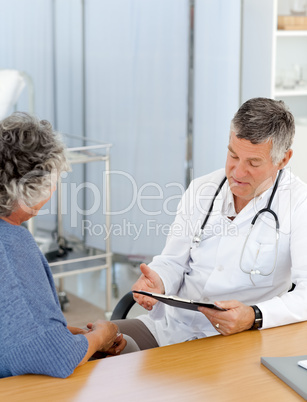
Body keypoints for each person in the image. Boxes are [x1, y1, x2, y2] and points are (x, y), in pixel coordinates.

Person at [113, 97, 307, 349]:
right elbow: (173, 261)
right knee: (86, 347)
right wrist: (158, 281)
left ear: (283, 159)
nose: (237, 172)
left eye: (253, 163)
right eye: (233, 155)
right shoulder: (203, 189)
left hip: (240, 341)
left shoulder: (298, 204)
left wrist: (254, 315)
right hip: (170, 330)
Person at [0, 112, 132, 379]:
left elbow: (15, 330)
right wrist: (100, 337)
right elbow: (52, 357)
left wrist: (69, 334)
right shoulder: (12, 245)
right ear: (34, 188)